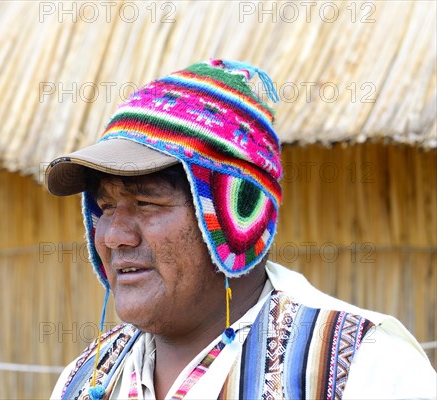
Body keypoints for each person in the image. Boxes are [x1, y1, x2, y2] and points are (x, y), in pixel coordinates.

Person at [45, 59, 436, 399]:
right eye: (106, 206)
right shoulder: (84, 380)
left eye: (147, 204)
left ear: (236, 219)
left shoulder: (360, 369)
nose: (113, 236)